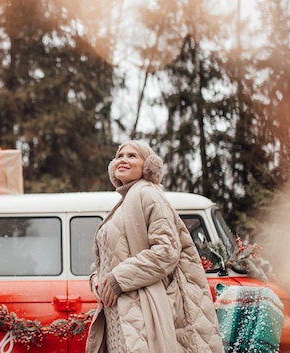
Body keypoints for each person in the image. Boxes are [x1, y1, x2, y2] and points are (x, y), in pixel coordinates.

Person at [86, 140, 224, 353]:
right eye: (120, 155)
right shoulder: (125, 202)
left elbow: (167, 251)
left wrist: (117, 279)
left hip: (141, 309)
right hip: (119, 312)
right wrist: (97, 278)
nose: (123, 159)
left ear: (148, 166)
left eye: (132, 156)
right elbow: (114, 255)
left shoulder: (148, 194)